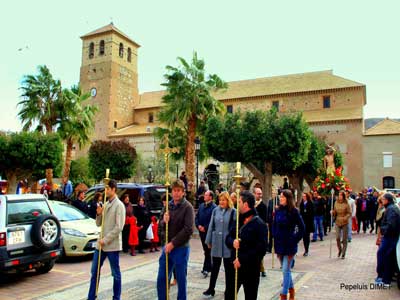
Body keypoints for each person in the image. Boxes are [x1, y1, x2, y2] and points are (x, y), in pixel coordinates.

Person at [87, 179, 126, 300]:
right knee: (94, 272)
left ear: (114, 189)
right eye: (105, 188)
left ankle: (116, 297)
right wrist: (98, 213)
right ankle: (91, 296)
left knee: (115, 274)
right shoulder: (105, 204)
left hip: (112, 245)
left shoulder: (119, 205)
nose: (106, 191)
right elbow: (99, 224)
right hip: (101, 245)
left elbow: (119, 227)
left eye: (108, 189)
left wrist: (106, 240)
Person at [226, 191, 268, 300]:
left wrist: (242, 259)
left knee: (250, 296)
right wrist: (232, 242)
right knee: (229, 295)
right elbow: (227, 238)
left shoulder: (259, 224)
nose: (237, 204)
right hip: (234, 266)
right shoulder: (238, 220)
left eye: (239, 201)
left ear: (245, 204)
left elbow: (261, 249)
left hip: (251, 270)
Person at [157, 180, 194, 300]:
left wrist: (173, 243)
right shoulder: (168, 205)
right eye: (174, 190)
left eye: (179, 191)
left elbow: (188, 229)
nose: (176, 193)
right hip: (167, 248)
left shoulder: (188, 207)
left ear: (183, 192)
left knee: (181, 279)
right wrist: (164, 221)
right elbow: (160, 225)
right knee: (162, 278)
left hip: (181, 248)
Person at [273, 189, 305, 300]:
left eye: (283, 197)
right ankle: (292, 291)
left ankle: (284, 295)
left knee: (285, 270)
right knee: (286, 270)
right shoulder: (277, 210)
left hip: (289, 245)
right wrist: (274, 235)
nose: (280, 199)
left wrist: (294, 239)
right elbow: (274, 225)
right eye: (280, 196)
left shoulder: (294, 211)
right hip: (279, 244)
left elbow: (302, 228)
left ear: (288, 198)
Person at [203, 192, 236, 299]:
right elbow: (211, 225)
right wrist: (208, 241)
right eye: (220, 200)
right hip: (216, 242)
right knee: (215, 267)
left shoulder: (233, 212)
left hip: (227, 244)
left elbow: (235, 228)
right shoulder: (215, 210)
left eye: (224, 200)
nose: (221, 202)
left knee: (228, 269)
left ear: (228, 201)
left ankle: (228, 290)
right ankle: (211, 288)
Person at [375, 193, 400, 286]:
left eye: (383, 199)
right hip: (390, 236)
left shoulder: (392, 209)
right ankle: (383, 277)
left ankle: (385, 279)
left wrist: (383, 230)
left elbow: (391, 224)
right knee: (385, 255)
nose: (382, 201)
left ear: (387, 200)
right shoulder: (390, 208)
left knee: (385, 256)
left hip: (390, 236)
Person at [195, 190, 217, 278]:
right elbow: (196, 217)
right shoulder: (201, 206)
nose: (204, 196)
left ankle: (206, 268)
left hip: (209, 232)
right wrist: (198, 226)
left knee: (208, 250)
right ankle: (209, 267)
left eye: (206, 195)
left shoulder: (214, 208)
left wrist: (205, 227)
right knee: (206, 250)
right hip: (201, 232)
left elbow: (213, 220)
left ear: (211, 197)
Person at [331, 191, 351, 259]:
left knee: (344, 239)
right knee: (337, 237)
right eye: (339, 195)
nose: (339, 196)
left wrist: (345, 218)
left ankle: (343, 253)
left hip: (344, 221)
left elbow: (349, 213)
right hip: (337, 221)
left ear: (343, 196)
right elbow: (335, 212)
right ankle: (340, 249)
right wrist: (332, 212)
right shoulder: (336, 203)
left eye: (341, 195)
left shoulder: (346, 203)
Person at [254, 187, 267, 277]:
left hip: (260, 232)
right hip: (252, 231)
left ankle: (261, 268)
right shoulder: (251, 204)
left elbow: (264, 220)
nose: (260, 195)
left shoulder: (263, 206)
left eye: (260, 194)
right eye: (258, 193)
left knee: (259, 251)